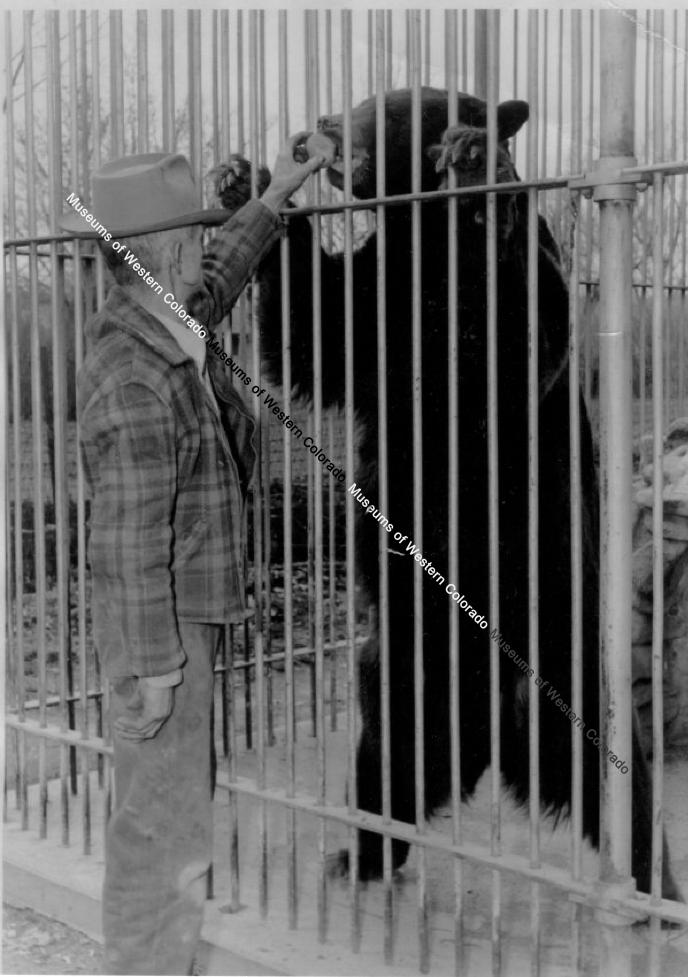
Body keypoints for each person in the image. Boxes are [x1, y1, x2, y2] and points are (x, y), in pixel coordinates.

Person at [61, 138, 324, 975]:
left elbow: (222, 274)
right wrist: (152, 667)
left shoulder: (163, 316)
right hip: (162, 628)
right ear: (157, 251)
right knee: (162, 833)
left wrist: (279, 193)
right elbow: (125, 541)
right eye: (187, 239)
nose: (196, 251)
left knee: (171, 815)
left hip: (180, 615)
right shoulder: (134, 367)